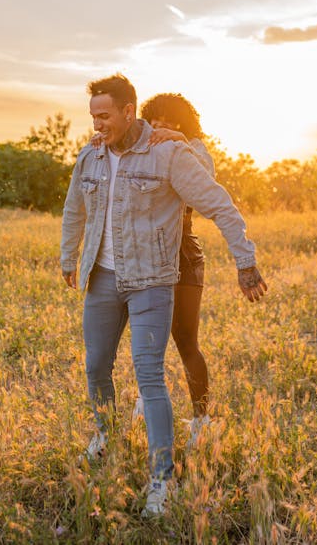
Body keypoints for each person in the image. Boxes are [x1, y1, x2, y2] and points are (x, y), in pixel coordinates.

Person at [61, 74, 267, 517]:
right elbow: (74, 208)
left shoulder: (168, 152)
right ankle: (105, 435)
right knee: (96, 365)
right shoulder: (90, 156)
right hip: (102, 277)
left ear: (127, 111)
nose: (97, 124)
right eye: (92, 116)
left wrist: (245, 261)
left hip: (154, 275)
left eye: (104, 115)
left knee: (150, 373)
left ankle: (162, 478)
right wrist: (67, 256)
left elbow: (218, 202)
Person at [133, 93, 214, 445]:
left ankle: (202, 421)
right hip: (144, 252)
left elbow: (205, 184)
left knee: (185, 339)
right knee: (147, 340)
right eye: (156, 122)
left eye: (171, 122)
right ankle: (145, 405)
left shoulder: (194, 148)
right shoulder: (141, 148)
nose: (162, 128)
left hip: (182, 252)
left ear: (184, 125)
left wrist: (181, 142)